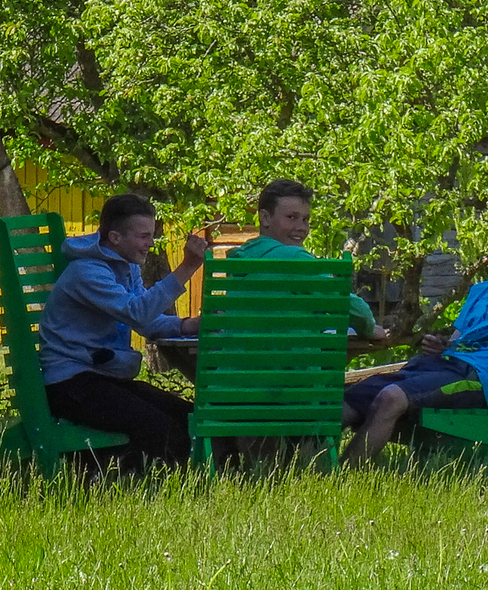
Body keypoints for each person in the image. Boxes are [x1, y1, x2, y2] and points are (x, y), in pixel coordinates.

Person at [341, 194, 488, 467]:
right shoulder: (481, 290)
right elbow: (458, 342)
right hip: (440, 367)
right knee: (348, 398)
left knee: (391, 397)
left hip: (476, 378)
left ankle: (341, 477)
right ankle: (303, 466)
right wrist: (440, 346)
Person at [41, 193, 207, 469]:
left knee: (187, 416)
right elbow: (136, 312)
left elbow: (145, 321)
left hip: (102, 377)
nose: (150, 244)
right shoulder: (87, 272)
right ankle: (116, 479)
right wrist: (188, 266)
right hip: (71, 383)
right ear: (115, 238)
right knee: (160, 428)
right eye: (144, 236)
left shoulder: (126, 267)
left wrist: (189, 325)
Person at [228, 178, 380, 338]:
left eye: (305, 220)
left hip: (235, 354)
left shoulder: (239, 260)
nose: (301, 227)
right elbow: (354, 308)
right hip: (287, 354)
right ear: (265, 218)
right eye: (291, 217)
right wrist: (370, 329)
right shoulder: (294, 259)